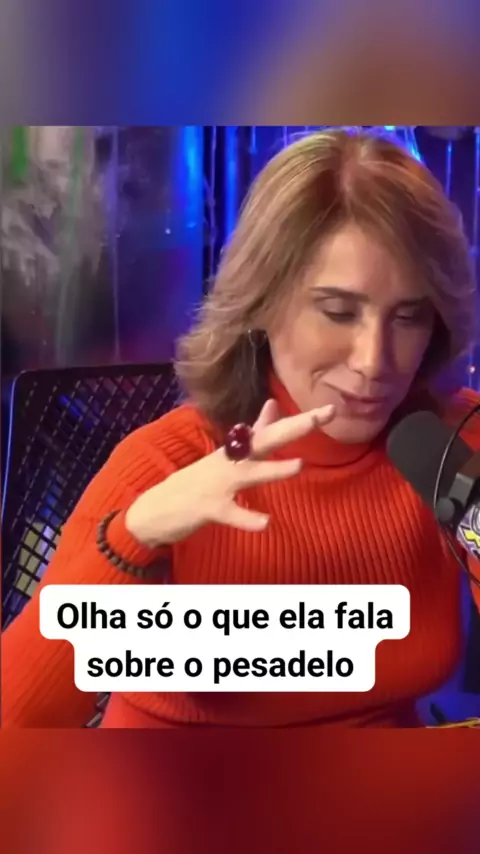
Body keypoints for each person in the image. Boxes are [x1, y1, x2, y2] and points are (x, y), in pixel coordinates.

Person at [3, 127, 480, 729]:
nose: (373, 361)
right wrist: (134, 537)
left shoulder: (450, 442)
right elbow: (14, 726)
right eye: (338, 312)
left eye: (408, 317)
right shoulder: (164, 465)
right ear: (263, 303)